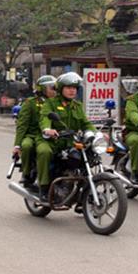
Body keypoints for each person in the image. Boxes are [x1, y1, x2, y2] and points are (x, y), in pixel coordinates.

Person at [36, 72, 96, 201]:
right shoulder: (50, 103)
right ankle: (44, 187)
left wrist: (96, 133)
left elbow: (85, 123)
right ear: (61, 89)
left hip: (70, 141)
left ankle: (82, 191)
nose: (72, 91)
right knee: (44, 152)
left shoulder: (77, 106)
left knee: (89, 155)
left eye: (74, 88)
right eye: (69, 88)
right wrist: (47, 129)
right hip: (51, 140)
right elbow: (45, 117)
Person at [12, 75, 57, 188]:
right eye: (52, 87)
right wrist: (17, 145)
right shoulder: (30, 103)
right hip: (32, 134)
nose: (55, 90)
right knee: (26, 146)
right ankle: (26, 173)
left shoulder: (57, 103)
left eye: (56, 87)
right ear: (42, 89)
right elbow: (22, 125)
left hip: (53, 135)